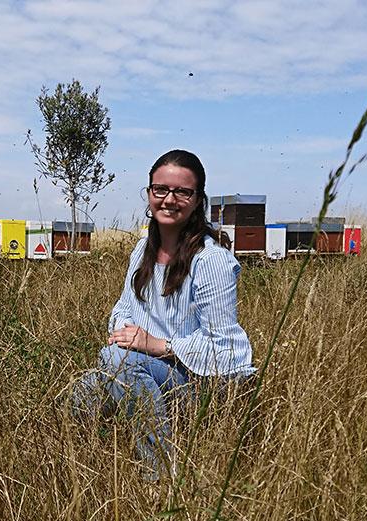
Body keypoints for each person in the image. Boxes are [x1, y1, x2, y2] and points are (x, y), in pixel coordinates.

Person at [72, 149, 256, 480]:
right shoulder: (142, 251)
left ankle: (157, 476)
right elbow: (123, 308)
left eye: (182, 191)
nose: (169, 199)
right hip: (146, 371)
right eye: (161, 190)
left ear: (198, 199)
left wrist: (156, 344)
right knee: (86, 386)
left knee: (114, 361)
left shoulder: (210, 260)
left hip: (202, 385)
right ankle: (86, 469)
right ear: (149, 193)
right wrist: (124, 334)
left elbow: (224, 346)